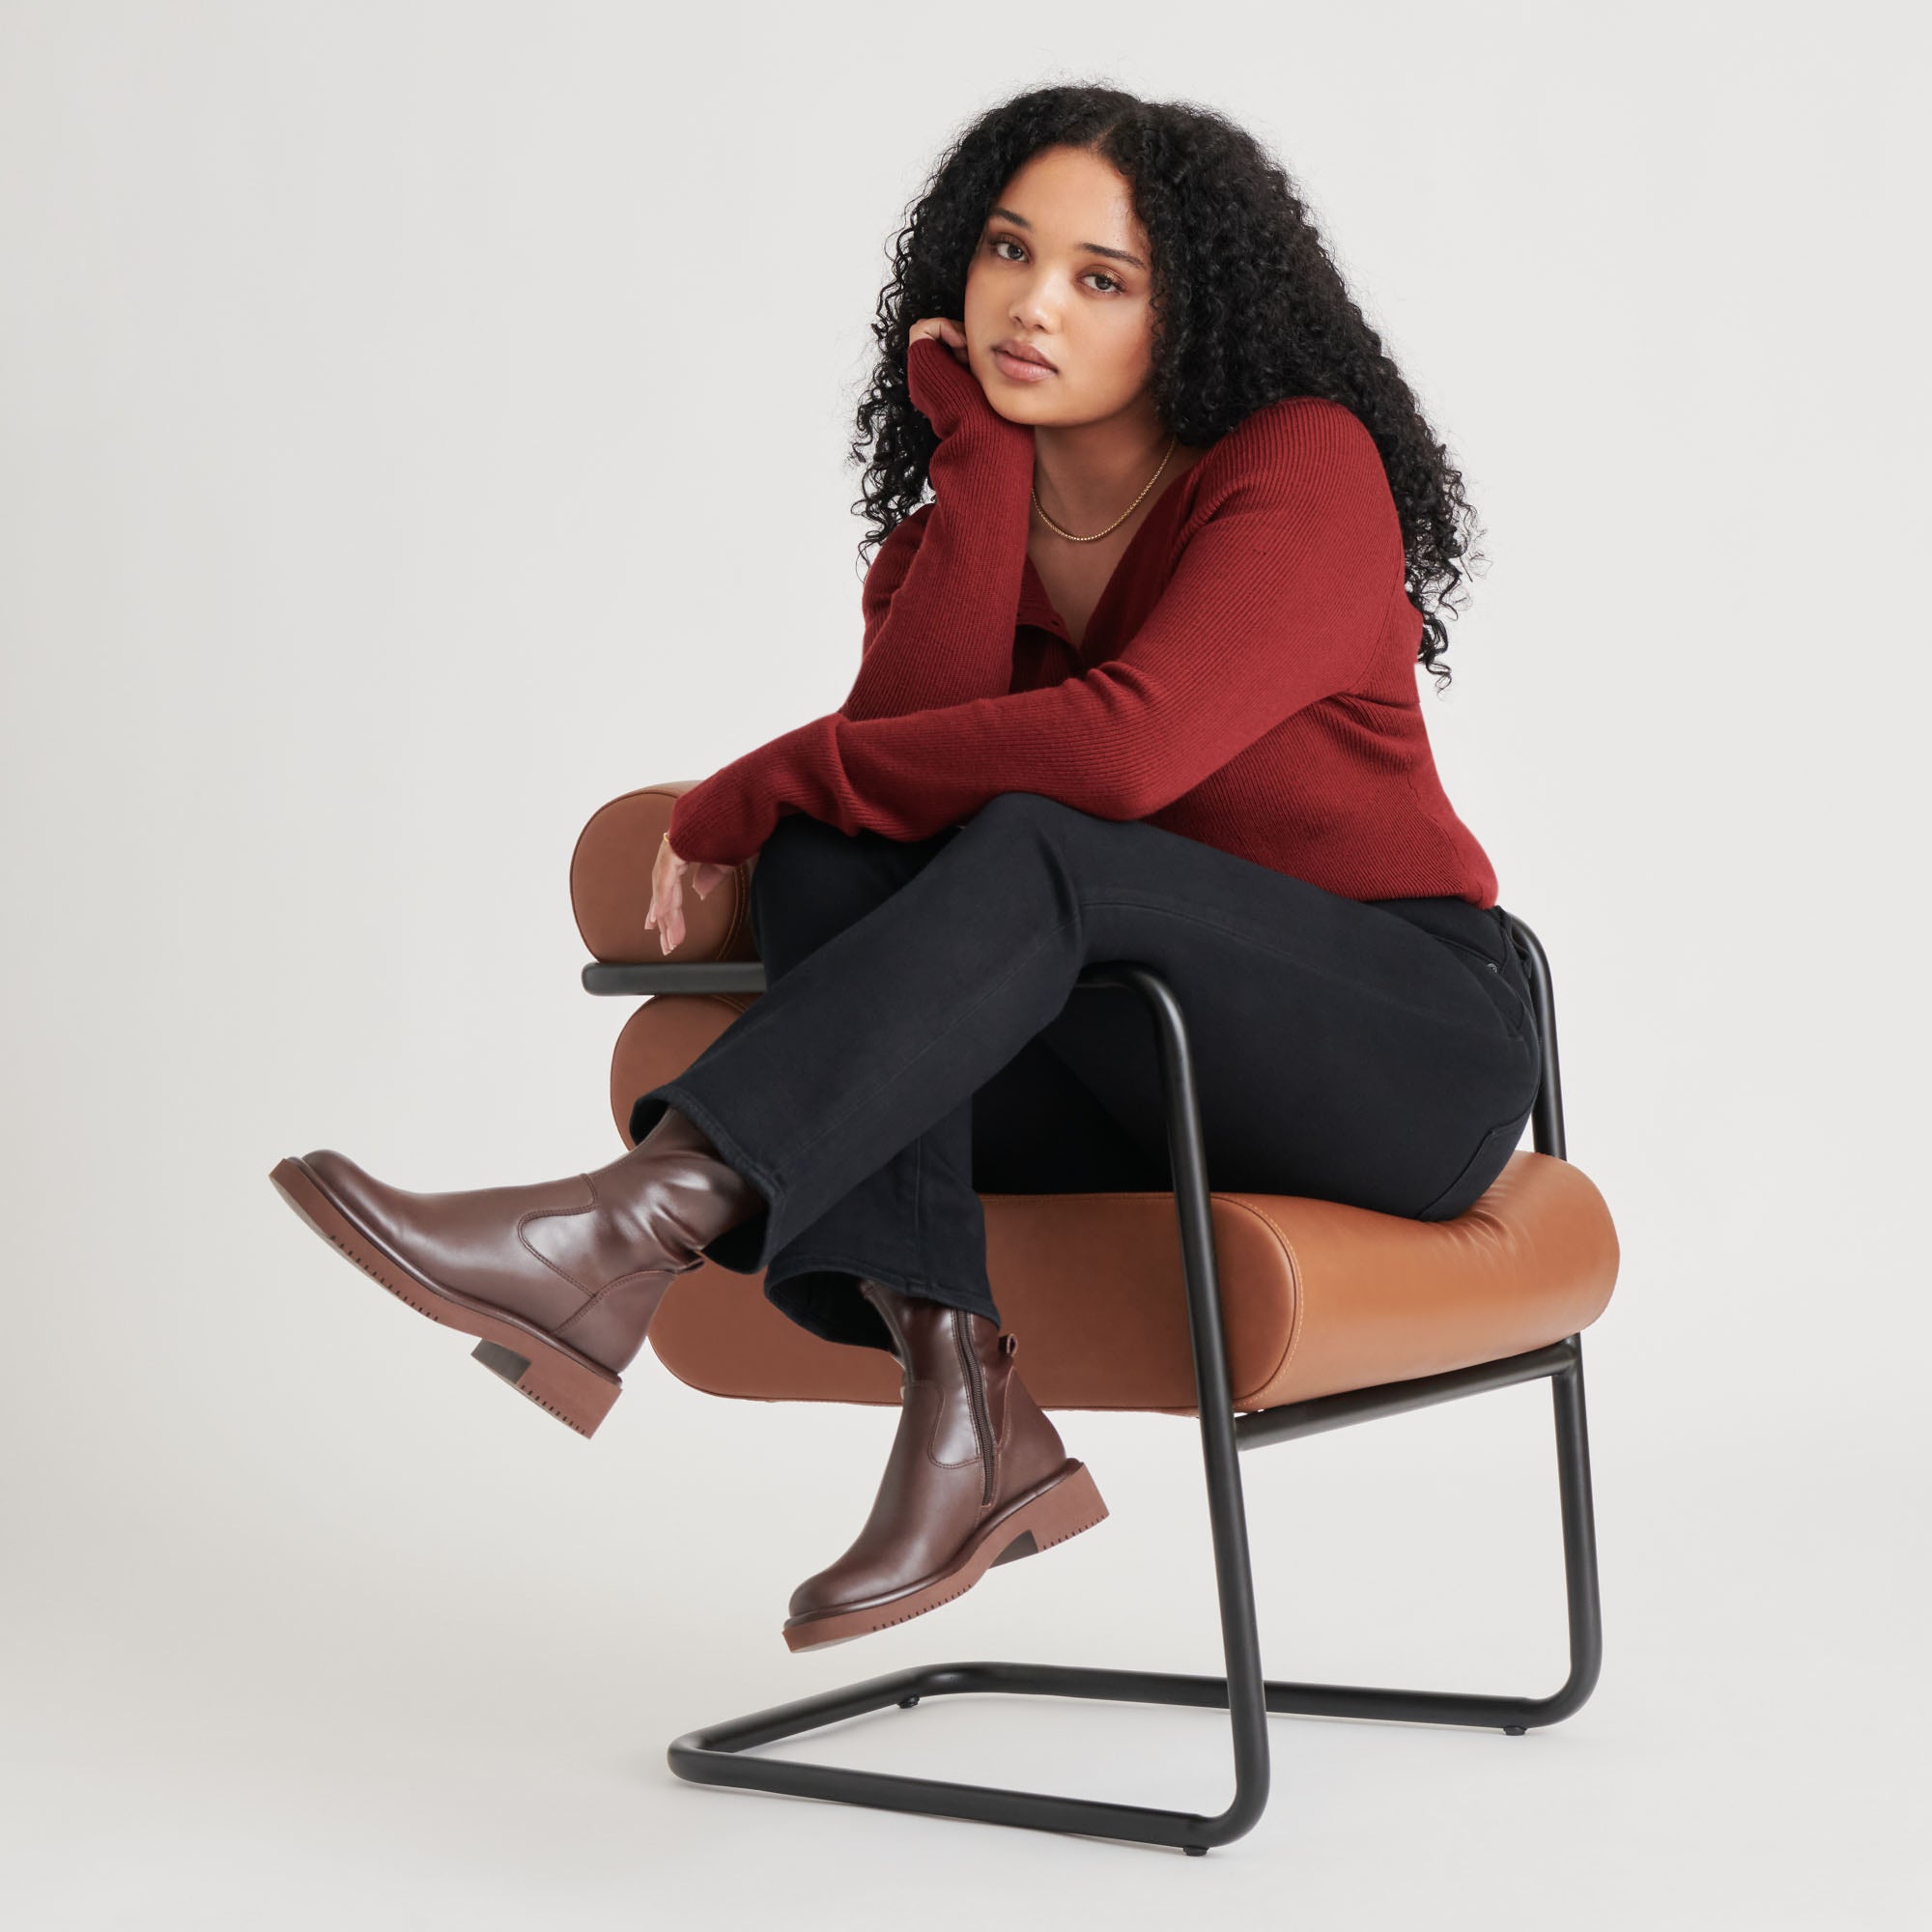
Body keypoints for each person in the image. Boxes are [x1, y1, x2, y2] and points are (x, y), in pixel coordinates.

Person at [270, 84, 1540, 1655]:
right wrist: (983, 476)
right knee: (845, 848)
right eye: (1008, 252)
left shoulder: (1299, 466)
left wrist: (764, 775)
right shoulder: (957, 531)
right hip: (1139, 1066)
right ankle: (966, 1413)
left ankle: (628, 1225)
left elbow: (1125, 755)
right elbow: (887, 785)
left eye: (1100, 277)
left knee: (1029, 837)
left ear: (1195, 312)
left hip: (1402, 1049)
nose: (1032, 304)